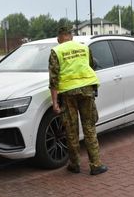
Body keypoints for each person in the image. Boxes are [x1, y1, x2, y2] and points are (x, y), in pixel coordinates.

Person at [49, 27, 108, 176]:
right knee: (89, 127)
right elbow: (90, 66)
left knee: (71, 130)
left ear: (58, 39)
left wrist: (55, 102)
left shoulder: (56, 51)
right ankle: (96, 165)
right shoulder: (84, 48)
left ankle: (74, 164)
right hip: (87, 91)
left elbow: (53, 80)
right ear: (72, 37)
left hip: (68, 93)